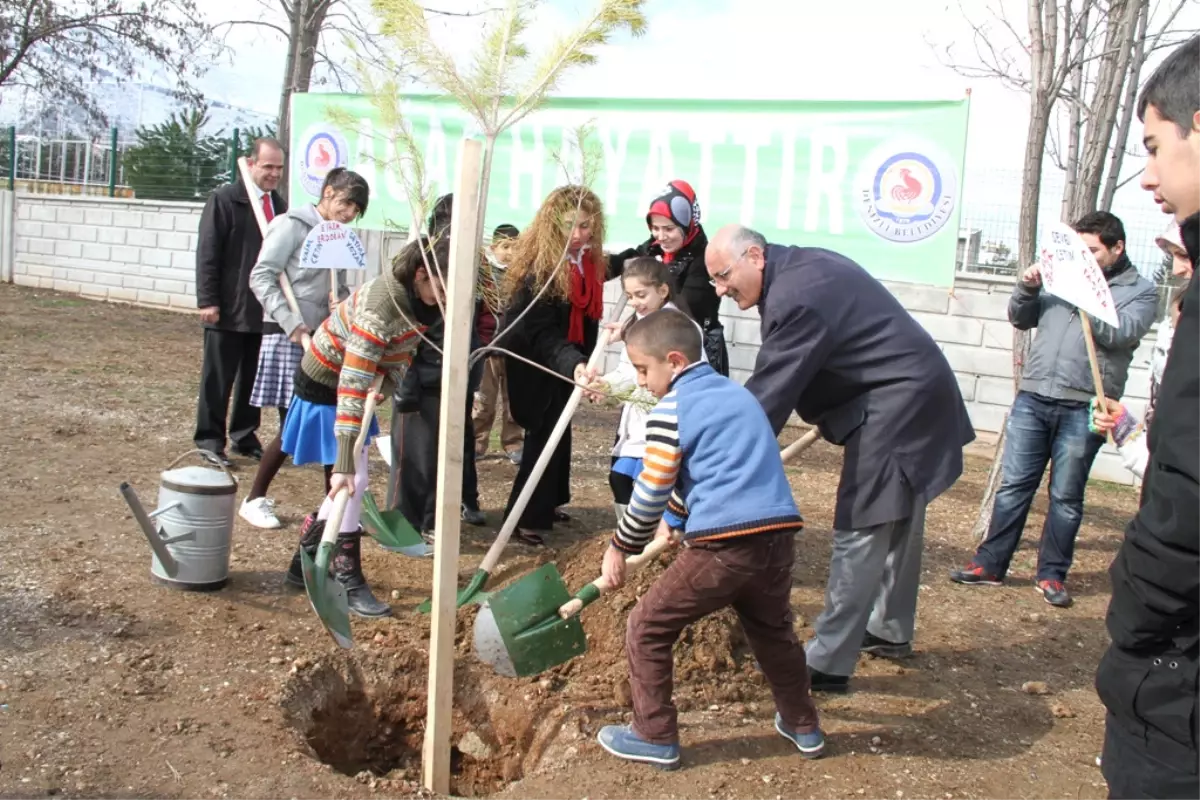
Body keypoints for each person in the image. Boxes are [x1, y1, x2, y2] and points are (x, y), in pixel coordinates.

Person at [705, 224, 975, 693]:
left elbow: (768, 396)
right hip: (908, 389)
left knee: (863, 524)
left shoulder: (798, 293)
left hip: (897, 401)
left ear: (755, 255)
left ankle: (826, 662)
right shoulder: (797, 271)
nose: (720, 289)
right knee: (900, 517)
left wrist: (719, 464)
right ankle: (889, 628)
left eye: (724, 276)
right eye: (714, 281)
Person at [594, 309, 823, 769]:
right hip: (777, 535)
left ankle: (654, 734)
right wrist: (678, 520)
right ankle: (804, 726)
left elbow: (652, 491)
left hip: (725, 546)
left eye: (643, 369)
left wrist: (620, 547)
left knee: (647, 625)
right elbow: (712, 472)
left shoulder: (670, 410)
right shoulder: (737, 396)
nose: (640, 382)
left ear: (674, 361)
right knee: (773, 633)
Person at [949, 211, 1158, 608]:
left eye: (1093, 250)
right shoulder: (1060, 278)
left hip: (1085, 405)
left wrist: (1085, 295)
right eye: (1079, 249)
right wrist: (1027, 289)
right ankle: (990, 564)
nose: (1084, 257)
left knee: (1065, 495)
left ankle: (1050, 575)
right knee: (1013, 486)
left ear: (1118, 248)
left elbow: (1122, 333)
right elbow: (1020, 317)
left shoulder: (1140, 290)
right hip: (1035, 395)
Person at [1095, 37, 1200, 798]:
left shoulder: (1148, 299)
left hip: (1178, 677)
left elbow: (1187, 489)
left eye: (1157, 146)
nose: (1149, 174)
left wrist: (1136, 610)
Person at [281, 234, 448, 618]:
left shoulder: (423, 302)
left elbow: (403, 352)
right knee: (351, 481)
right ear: (421, 273)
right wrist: (342, 459)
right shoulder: (380, 306)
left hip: (363, 387)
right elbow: (352, 383)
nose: (445, 298)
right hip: (329, 383)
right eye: (440, 287)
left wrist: (389, 381)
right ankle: (346, 574)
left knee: (352, 485)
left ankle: (305, 552)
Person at [239, 167, 368, 529]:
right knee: (299, 419)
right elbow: (260, 276)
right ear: (327, 193)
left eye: (356, 208)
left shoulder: (338, 236)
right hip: (288, 335)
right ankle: (255, 498)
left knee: (331, 417)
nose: (349, 213)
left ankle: (337, 509)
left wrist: (340, 306)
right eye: (345, 203)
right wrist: (292, 325)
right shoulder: (291, 225)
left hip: (325, 339)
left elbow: (337, 289)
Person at [500, 185, 610, 547]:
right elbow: (541, 333)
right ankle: (522, 516)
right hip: (534, 361)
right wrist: (574, 363)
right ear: (553, 225)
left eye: (586, 226)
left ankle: (547, 504)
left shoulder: (583, 259)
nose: (580, 235)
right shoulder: (540, 270)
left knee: (561, 432)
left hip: (567, 358)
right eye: (571, 226)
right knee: (542, 435)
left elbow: (608, 271)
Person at [587, 256, 705, 522]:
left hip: (666, 419)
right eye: (629, 296)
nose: (634, 303)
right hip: (638, 422)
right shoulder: (639, 325)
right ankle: (631, 536)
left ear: (662, 291)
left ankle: (658, 540)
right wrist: (606, 386)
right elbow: (628, 372)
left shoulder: (681, 328)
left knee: (655, 485)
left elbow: (694, 375)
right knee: (620, 477)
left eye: (641, 294)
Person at [193, 137, 286, 467]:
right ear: (251, 164)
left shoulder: (280, 207)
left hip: (261, 310)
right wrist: (208, 300)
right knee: (218, 378)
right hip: (227, 308)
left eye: (279, 168)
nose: (274, 174)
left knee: (253, 378)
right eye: (267, 166)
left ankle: (244, 436)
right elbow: (208, 252)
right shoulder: (225, 200)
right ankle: (209, 439)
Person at [609, 180, 729, 373]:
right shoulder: (654, 247)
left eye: (669, 228)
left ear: (687, 224)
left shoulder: (704, 260)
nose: (661, 236)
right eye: (655, 228)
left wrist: (627, 329)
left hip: (695, 351)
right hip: (659, 345)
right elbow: (626, 262)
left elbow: (682, 316)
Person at [473, 224, 525, 465]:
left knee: (514, 401)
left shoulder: (522, 276)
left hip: (515, 348)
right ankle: (477, 441)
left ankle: (514, 442)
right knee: (484, 399)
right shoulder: (483, 275)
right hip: (489, 347)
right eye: (505, 247)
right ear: (494, 247)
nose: (510, 253)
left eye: (515, 248)